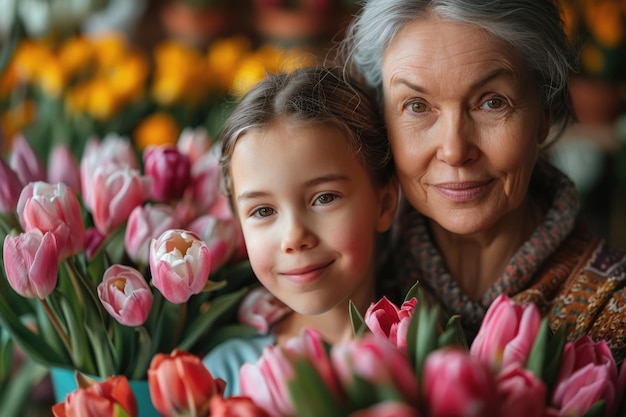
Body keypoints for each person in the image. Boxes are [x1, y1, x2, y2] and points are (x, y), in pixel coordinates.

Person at [336, 0, 626, 361]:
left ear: (545, 113)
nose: (455, 150)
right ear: (381, 120)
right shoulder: (343, 279)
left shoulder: (615, 307)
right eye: (417, 105)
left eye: (492, 103)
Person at [203, 66, 399, 395]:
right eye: (263, 211)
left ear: (384, 204)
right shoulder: (222, 376)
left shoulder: (424, 365)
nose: (294, 237)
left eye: (324, 198)